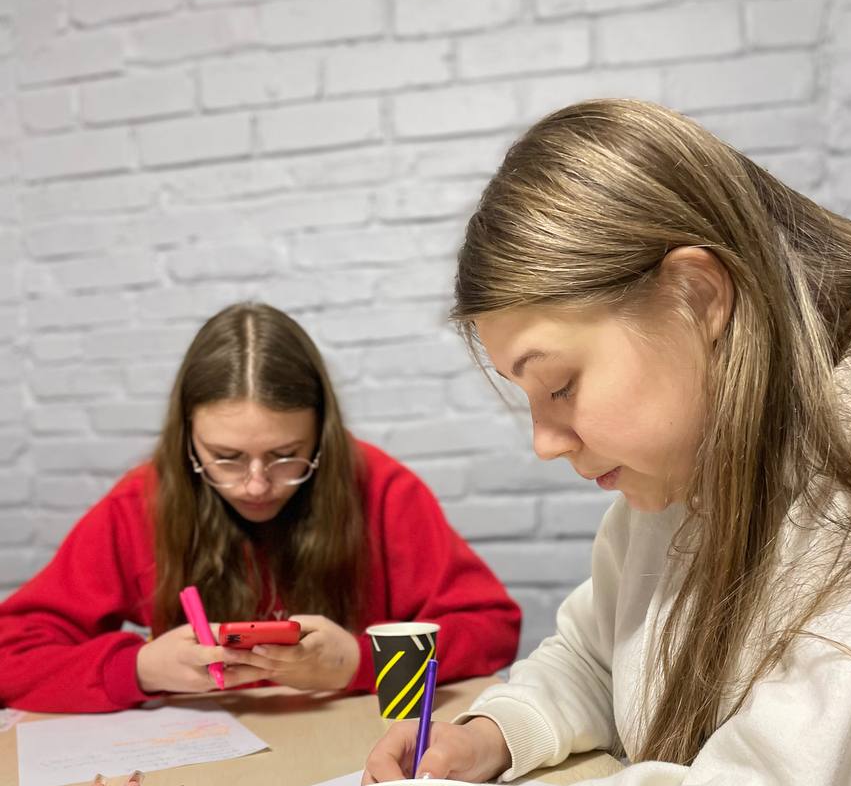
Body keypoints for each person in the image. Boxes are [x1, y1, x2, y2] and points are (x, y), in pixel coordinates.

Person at [69, 101, 851, 786]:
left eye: (559, 384)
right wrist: (494, 732)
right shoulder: (697, 444)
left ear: (698, 296)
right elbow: (599, 654)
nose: (543, 441)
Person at [2, 303, 520, 713]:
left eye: (286, 455)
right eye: (226, 458)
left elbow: (490, 626)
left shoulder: (380, 487)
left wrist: (361, 661)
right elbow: (11, 654)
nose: (256, 486)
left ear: (321, 435)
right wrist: (138, 668)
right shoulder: (142, 502)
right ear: (187, 438)